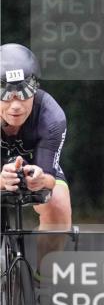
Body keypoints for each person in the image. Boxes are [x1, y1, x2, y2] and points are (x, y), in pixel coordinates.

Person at [0, 44, 73, 288]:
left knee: (58, 205)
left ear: (35, 89)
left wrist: (41, 180)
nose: (16, 105)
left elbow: (50, 178)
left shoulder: (51, 116)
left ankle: (44, 284)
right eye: (6, 94)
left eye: (24, 93)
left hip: (37, 166)